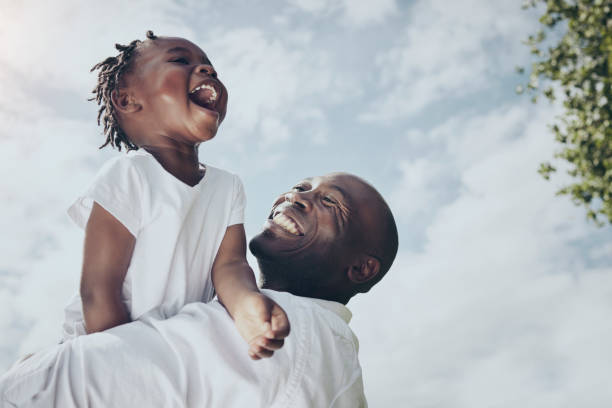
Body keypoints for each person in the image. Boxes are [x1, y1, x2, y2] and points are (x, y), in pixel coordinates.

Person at [1, 173, 398, 407]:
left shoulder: (291, 329)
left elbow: (77, 381)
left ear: (361, 268)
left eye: (329, 202)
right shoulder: (322, 347)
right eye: (302, 186)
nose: (296, 196)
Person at [61, 31, 289, 359]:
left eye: (211, 68)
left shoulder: (228, 187)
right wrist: (124, 365)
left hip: (173, 352)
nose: (208, 71)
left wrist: (247, 306)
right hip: (102, 351)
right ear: (127, 100)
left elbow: (230, 265)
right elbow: (99, 290)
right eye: (181, 61)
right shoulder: (129, 174)